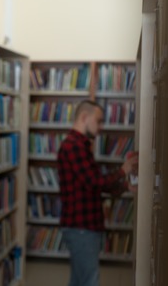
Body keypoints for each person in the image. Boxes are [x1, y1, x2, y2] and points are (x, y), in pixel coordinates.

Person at [57, 99, 138, 286]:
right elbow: (94, 182)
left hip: (83, 226)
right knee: (89, 281)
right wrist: (122, 171)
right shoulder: (74, 146)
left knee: (80, 280)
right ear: (84, 117)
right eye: (99, 121)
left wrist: (126, 186)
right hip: (81, 227)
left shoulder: (81, 145)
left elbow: (91, 184)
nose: (101, 127)